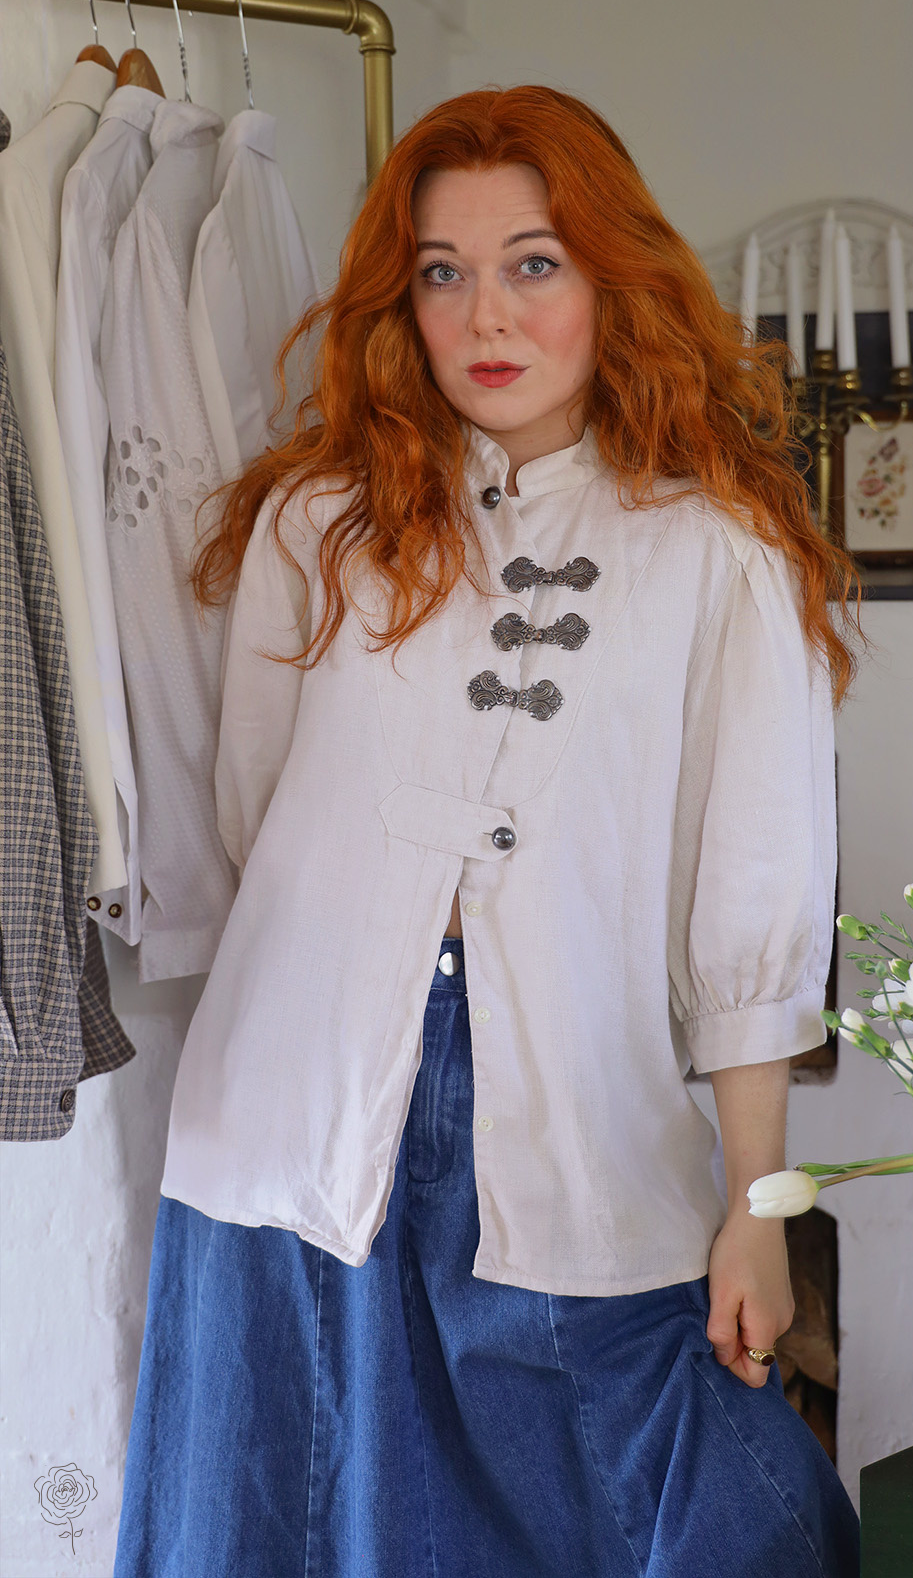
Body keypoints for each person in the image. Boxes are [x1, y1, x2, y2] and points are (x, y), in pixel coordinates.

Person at [113, 86, 861, 1578]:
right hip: (299, 1107)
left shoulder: (717, 552)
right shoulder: (318, 525)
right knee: (291, 1521)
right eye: (441, 272)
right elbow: (263, 815)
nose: (484, 315)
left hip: (574, 1118)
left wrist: (756, 1209)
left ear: (611, 278)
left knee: (740, 1518)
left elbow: (753, 902)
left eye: (532, 263)